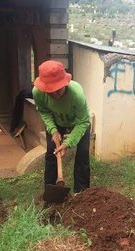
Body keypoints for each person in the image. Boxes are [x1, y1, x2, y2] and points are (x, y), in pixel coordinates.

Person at [32, 60, 91, 194]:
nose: (54, 94)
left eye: (58, 89)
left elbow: (83, 122)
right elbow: (44, 112)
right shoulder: (37, 92)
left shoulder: (76, 93)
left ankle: (81, 193)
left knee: (82, 154)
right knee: (51, 153)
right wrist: (53, 130)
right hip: (56, 121)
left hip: (79, 122)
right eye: (49, 91)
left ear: (65, 82)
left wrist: (68, 143)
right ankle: (50, 189)